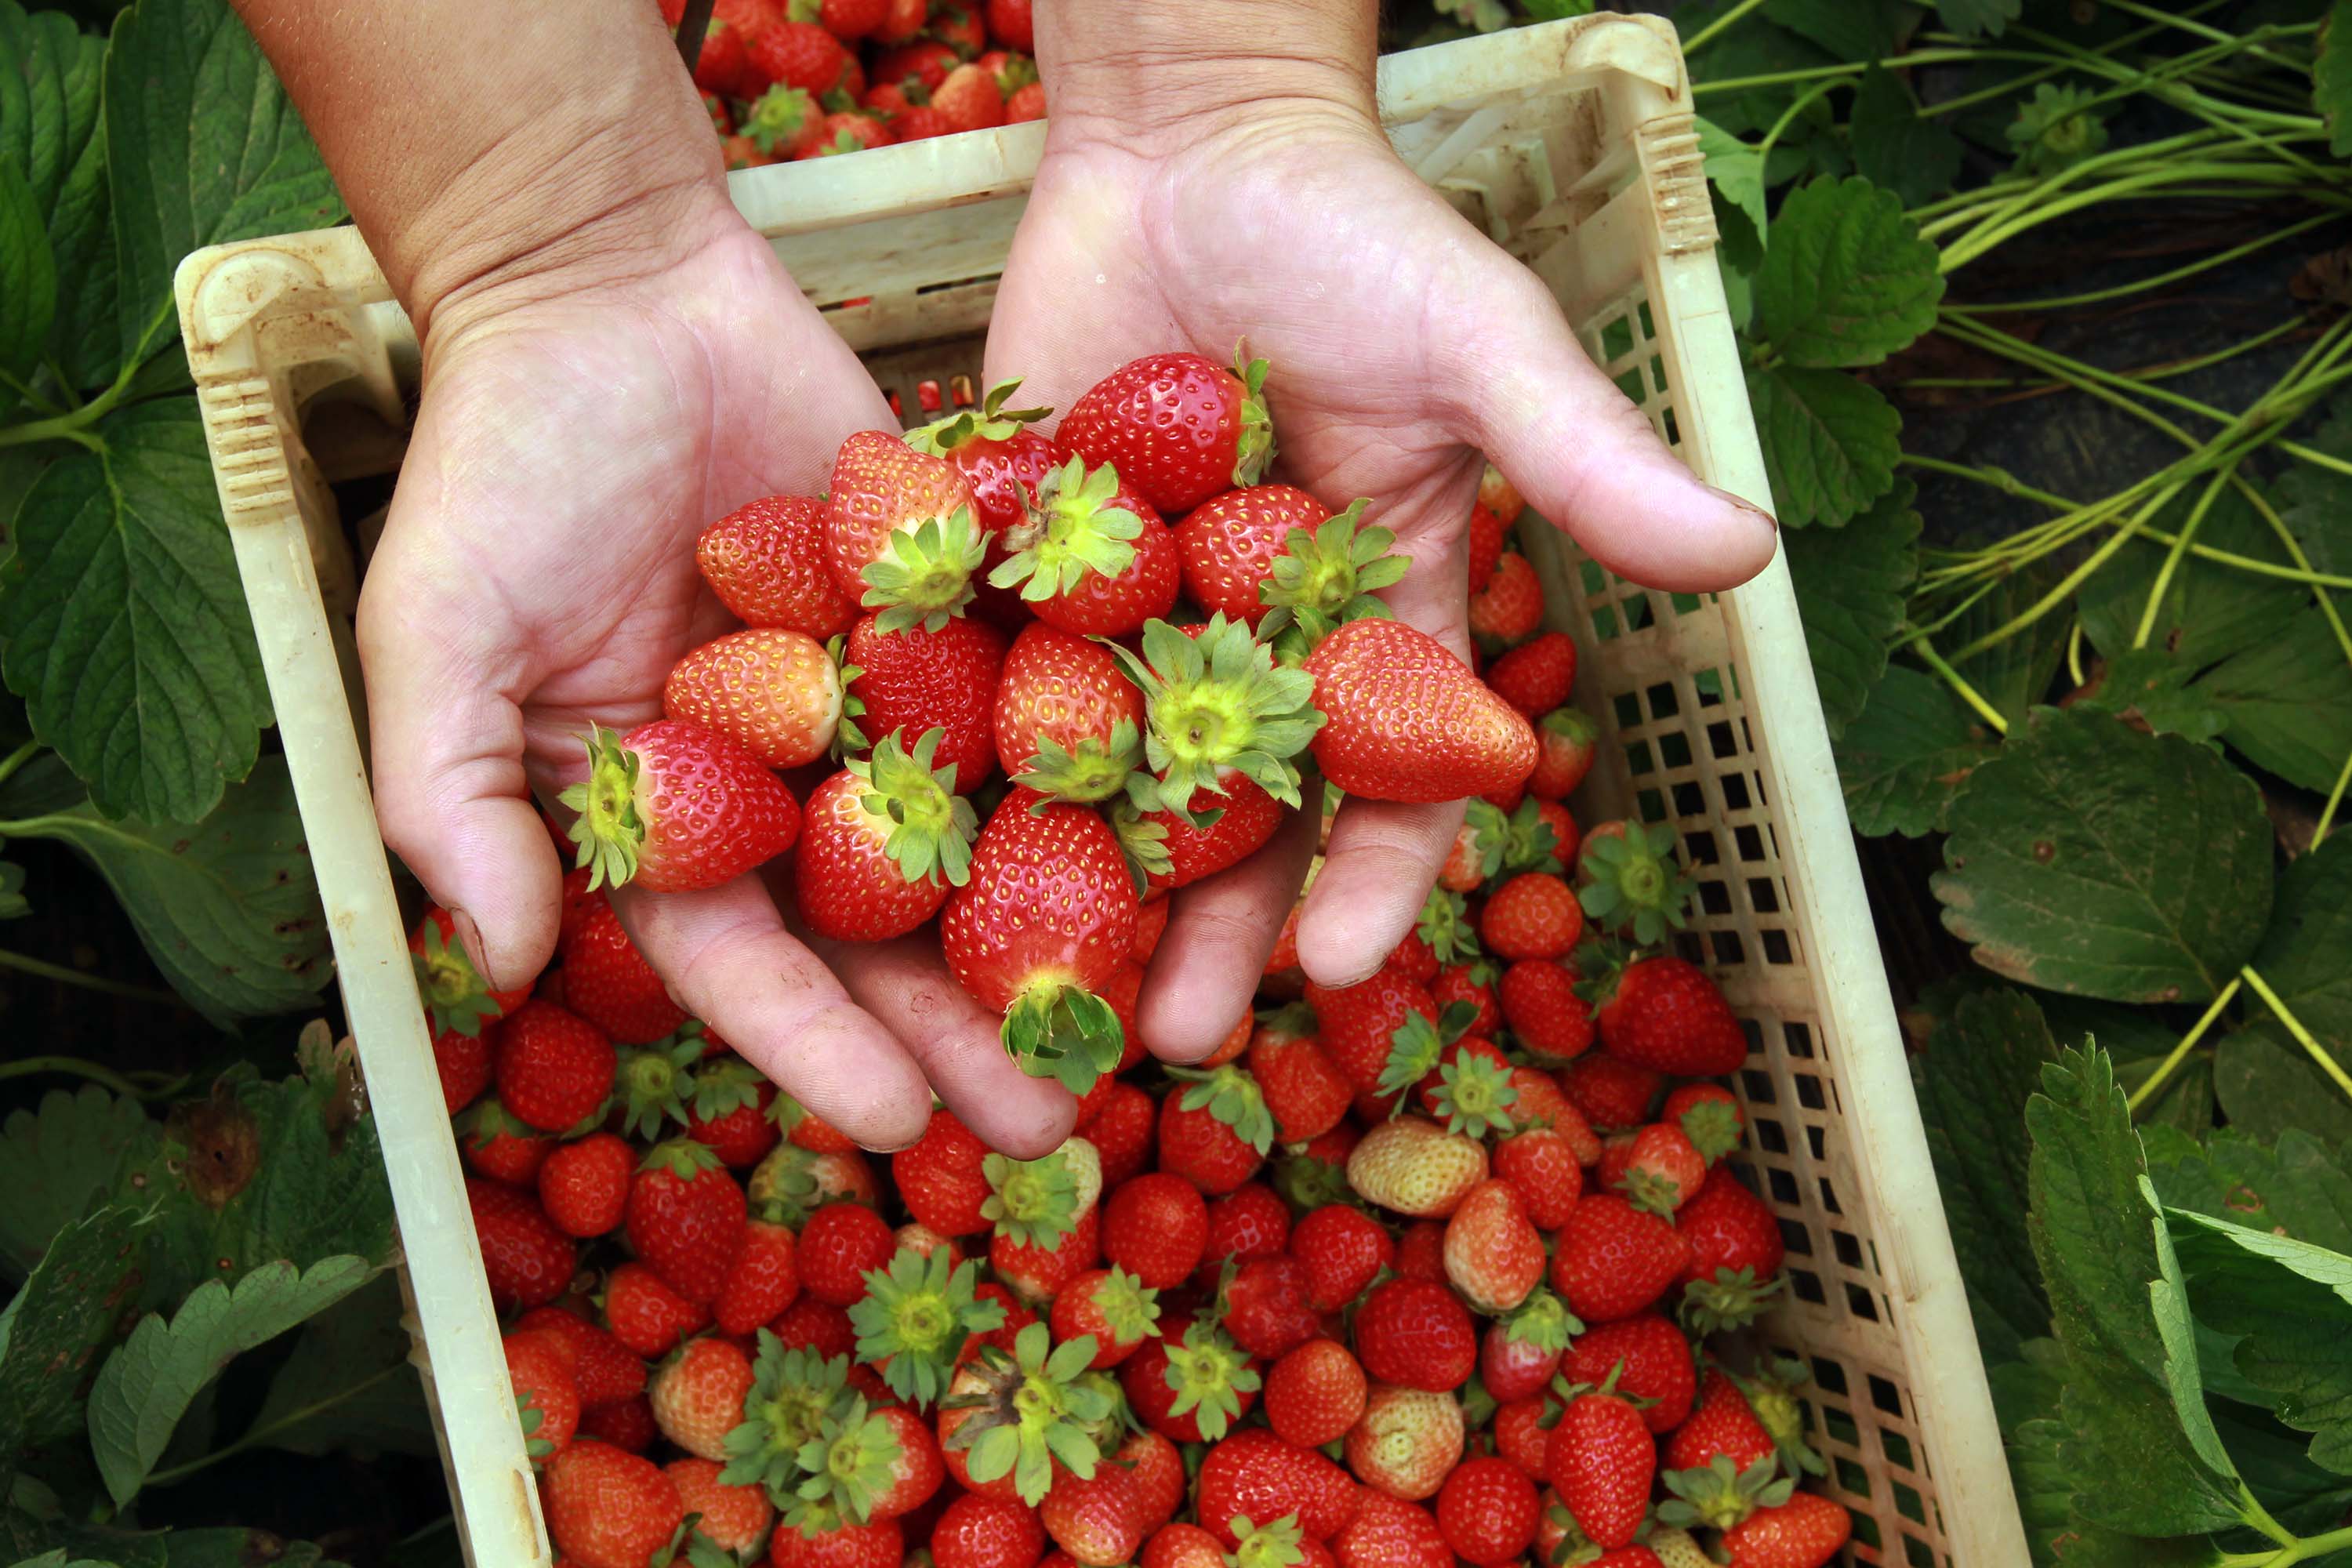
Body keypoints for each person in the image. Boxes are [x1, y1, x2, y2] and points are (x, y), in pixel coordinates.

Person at [230, 0, 1777, 1160]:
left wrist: (1218, 75)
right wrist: (542, 229)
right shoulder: (984, 653)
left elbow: (1026, 696)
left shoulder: (1038, 669)